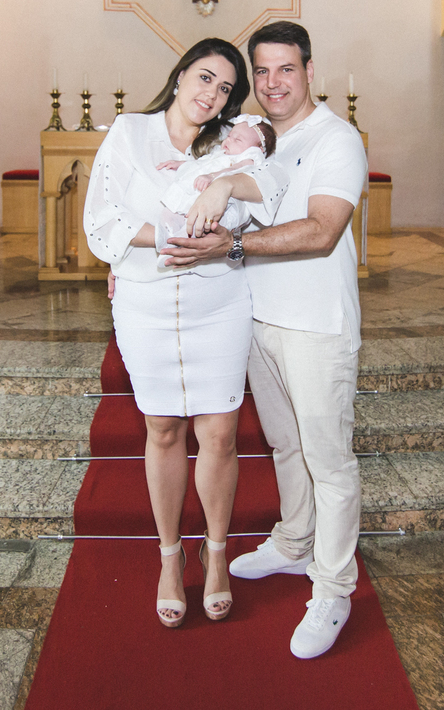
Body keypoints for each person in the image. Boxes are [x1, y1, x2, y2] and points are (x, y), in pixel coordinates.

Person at [162, 21, 368, 658]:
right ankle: (293, 541)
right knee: (283, 444)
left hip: (316, 323)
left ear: (309, 69)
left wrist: (229, 246)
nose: (275, 83)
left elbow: (321, 231)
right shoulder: (252, 137)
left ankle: (333, 588)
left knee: (329, 459)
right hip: (257, 316)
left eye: (288, 69)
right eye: (265, 71)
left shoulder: (338, 139)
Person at [82, 38, 287, 629]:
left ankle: (216, 553)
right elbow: (102, 222)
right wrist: (170, 234)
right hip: (144, 300)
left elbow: (269, 194)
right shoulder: (128, 133)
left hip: (217, 299)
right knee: (163, 428)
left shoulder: (233, 141)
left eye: (224, 88)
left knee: (221, 433)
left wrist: (224, 187)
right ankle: (171, 557)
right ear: (179, 77)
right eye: (204, 78)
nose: (211, 95)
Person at [153, 115, 277, 262]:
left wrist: (212, 176)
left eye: (237, 140)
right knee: (172, 213)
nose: (229, 140)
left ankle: (177, 245)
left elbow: (234, 170)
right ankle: (169, 240)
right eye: (230, 135)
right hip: (201, 193)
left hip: (218, 203)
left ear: (258, 149)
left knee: (196, 224)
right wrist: (181, 164)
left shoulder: (248, 158)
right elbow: (201, 163)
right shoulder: (222, 153)